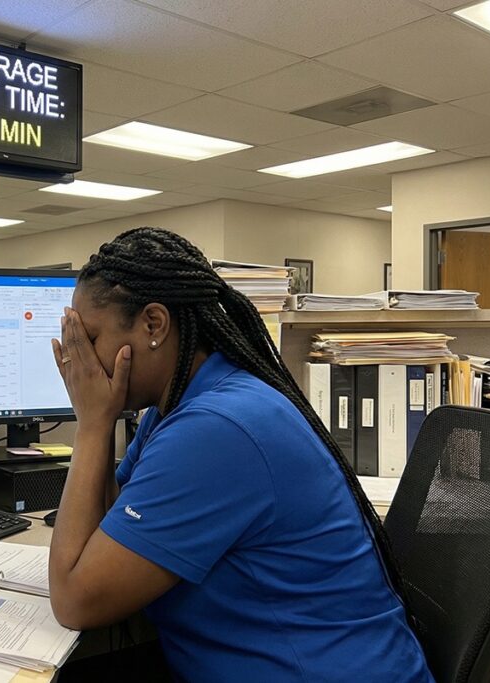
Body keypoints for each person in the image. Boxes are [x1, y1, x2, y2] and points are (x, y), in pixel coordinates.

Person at [48, 228, 432, 682]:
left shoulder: (216, 428)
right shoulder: (182, 402)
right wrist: (100, 417)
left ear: (154, 324)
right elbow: (112, 524)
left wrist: (92, 424)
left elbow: (76, 600)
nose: (79, 361)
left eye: (89, 339)